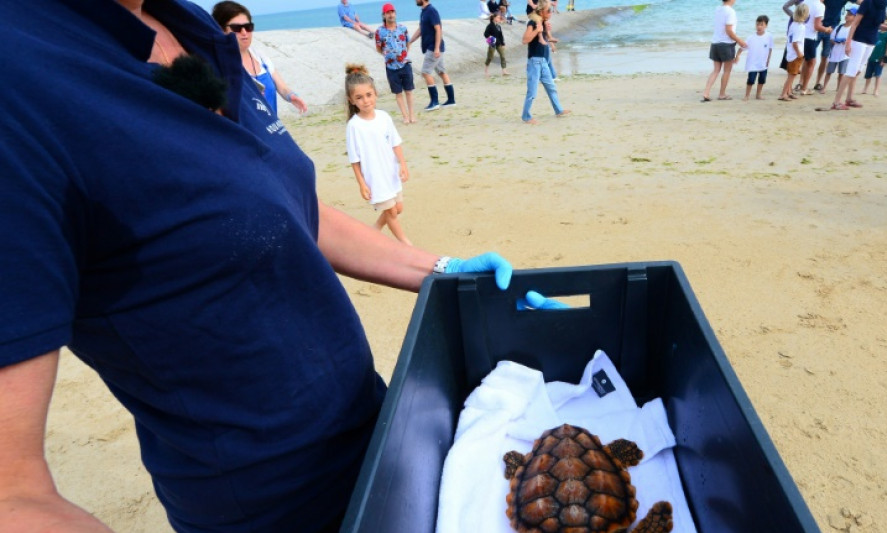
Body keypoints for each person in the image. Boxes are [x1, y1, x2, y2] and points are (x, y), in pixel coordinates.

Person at [0, 2, 516, 532]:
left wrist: (442, 268)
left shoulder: (191, 24)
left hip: (376, 434)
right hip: (270, 505)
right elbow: (12, 495)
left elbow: (285, 206)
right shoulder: (20, 75)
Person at [345, 65, 412, 246]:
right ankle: (406, 244)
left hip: (391, 172)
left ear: (375, 94)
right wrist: (362, 184)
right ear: (351, 100)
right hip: (375, 177)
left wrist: (403, 165)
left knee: (398, 209)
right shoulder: (354, 126)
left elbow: (395, 143)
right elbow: (354, 159)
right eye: (359, 97)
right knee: (391, 213)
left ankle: (373, 230)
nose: (365, 101)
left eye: (369, 95)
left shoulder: (384, 117)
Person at [212, 1, 307, 114]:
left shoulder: (260, 56)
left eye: (248, 27)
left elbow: (282, 87)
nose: (244, 32)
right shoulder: (218, 66)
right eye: (236, 28)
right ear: (221, 30)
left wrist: (292, 97)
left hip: (272, 128)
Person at [825, 0, 887, 110]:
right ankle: (836, 102)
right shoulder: (867, 2)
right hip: (859, 40)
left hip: (871, 41)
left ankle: (849, 98)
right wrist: (848, 43)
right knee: (851, 71)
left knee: (858, 70)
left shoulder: (883, 4)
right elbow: (855, 23)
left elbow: (877, 24)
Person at [522, 0, 571, 123]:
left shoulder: (543, 23)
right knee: (532, 92)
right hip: (534, 62)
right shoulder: (533, 23)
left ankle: (558, 110)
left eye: (550, 10)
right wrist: (536, 31)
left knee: (551, 87)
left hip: (543, 61)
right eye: (548, 10)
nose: (550, 12)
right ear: (541, 11)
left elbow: (544, 40)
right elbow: (525, 40)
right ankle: (526, 116)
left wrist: (550, 39)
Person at [410, 0, 457, 111]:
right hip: (434, 47)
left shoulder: (431, 11)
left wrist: (436, 48)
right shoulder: (424, 11)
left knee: (425, 73)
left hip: (434, 47)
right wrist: (410, 41)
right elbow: (421, 29)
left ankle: (434, 102)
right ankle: (451, 100)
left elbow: (438, 29)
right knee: (441, 72)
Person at [376, 3, 416, 124]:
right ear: (384, 15)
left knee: (409, 91)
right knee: (398, 93)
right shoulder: (380, 31)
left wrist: (403, 55)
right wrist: (388, 55)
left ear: (395, 14)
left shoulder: (402, 28)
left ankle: (412, 115)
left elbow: (408, 43)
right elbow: (378, 48)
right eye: (388, 12)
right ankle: (405, 116)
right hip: (391, 67)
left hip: (405, 64)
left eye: (392, 12)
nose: (391, 14)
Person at [702, 0, 748, 102]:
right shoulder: (730, 12)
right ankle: (722, 94)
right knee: (727, 71)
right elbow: (729, 31)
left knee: (716, 70)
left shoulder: (718, 9)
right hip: (726, 44)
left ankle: (706, 92)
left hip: (715, 43)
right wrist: (739, 41)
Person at [735, 14, 774, 100]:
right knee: (751, 80)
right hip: (753, 63)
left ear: (766, 25)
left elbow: (770, 49)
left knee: (762, 79)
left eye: (761, 25)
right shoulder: (751, 37)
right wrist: (737, 55)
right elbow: (742, 47)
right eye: (757, 24)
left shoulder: (769, 36)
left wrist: (768, 60)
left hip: (763, 63)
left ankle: (758, 95)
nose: (759, 27)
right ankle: (747, 95)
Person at [799, 0, 833, 95]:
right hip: (810, 36)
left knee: (802, 60)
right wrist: (827, 29)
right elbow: (817, 26)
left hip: (800, 35)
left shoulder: (804, 2)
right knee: (812, 62)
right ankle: (804, 88)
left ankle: (798, 85)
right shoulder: (820, 6)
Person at [822, 7, 856, 95]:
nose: (847, 16)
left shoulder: (853, 29)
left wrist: (847, 42)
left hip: (845, 55)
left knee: (841, 73)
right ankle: (824, 87)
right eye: (847, 14)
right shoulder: (839, 27)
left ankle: (838, 89)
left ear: (855, 17)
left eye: (850, 15)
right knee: (829, 72)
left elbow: (854, 41)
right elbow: (831, 39)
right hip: (834, 53)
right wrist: (836, 40)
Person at [781, 3, 810, 100]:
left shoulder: (793, 23)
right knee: (792, 75)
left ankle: (789, 92)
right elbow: (795, 43)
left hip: (790, 52)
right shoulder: (800, 27)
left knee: (792, 73)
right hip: (795, 54)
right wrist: (799, 53)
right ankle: (783, 94)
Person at [862, 12, 887, 95]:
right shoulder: (876, 32)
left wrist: (884, 58)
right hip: (871, 57)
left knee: (878, 74)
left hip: (880, 57)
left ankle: (876, 90)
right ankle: (865, 88)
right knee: (868, 74)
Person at [484, 11, 510, 76]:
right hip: (492, 42)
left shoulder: (498, 26)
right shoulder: (490, 26)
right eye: (498, 17)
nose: (499, 18)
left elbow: (501, 36)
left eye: (499, 17)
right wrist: (490, 37)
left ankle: (504, 71)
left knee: (503, 56)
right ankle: (486, 70)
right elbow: (485, 34)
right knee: (490, 57)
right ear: (494, 18)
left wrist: (503, 43)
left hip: (499, 43)